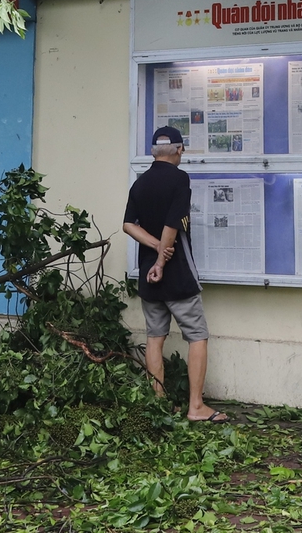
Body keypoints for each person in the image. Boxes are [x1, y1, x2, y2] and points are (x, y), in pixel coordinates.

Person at [123, 124, 227, 422]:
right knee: (197, 335)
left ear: (154, 152)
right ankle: (196, 407)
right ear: (179, 150)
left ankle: (158, 403)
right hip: (176, 273)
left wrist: (154, 253)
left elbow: (128, 224)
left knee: (155, 336)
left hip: (148, 276)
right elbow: (173, 223)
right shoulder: (180, 179)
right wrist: (162, 259)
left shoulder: (140, 183)